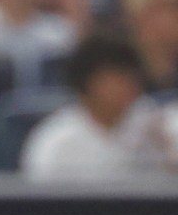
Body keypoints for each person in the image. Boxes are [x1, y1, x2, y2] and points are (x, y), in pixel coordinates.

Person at [19, 32, 175, 180]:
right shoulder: (57, 142)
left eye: (131, 76)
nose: (128, 85)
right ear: (87, 83)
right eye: (116, 78)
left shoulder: (152, 121)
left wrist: (167, 151)